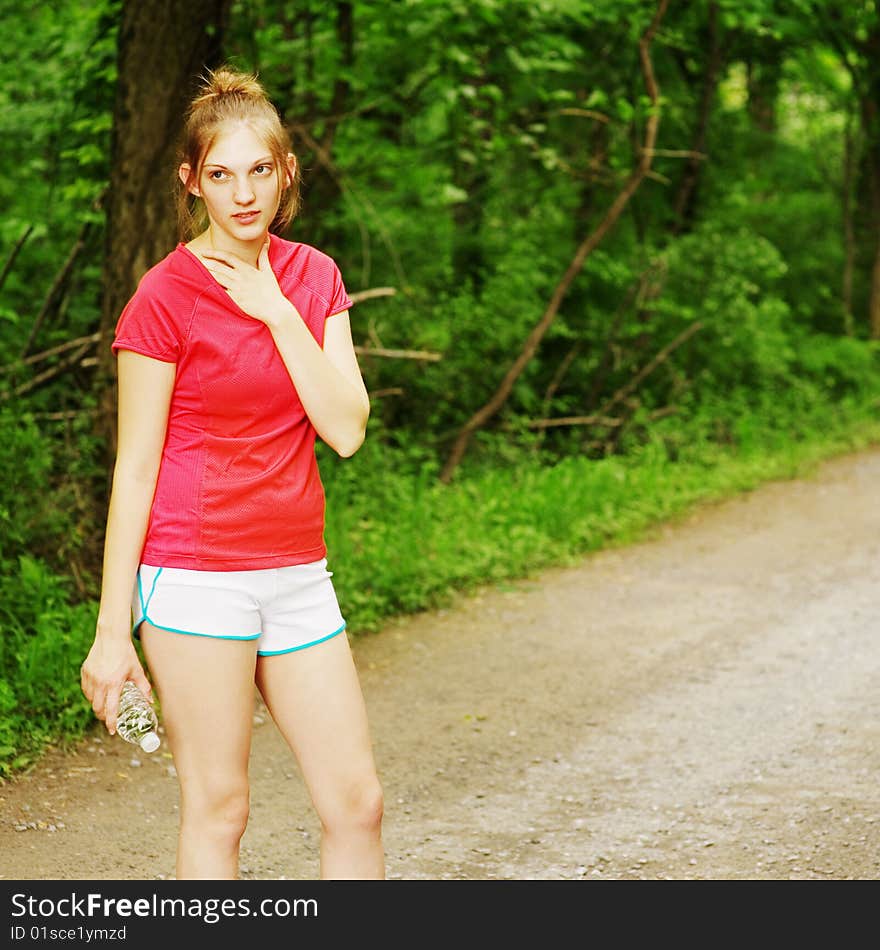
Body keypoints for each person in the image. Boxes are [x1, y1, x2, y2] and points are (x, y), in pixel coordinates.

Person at [80, 66, 384, 881]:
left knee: (356, 804)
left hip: (297, 576)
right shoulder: (163, 298)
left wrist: (277, 308)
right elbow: (135, 470)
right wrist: (113, 636)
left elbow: (346, 430)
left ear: (285, 171)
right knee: (221, 809)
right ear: (192, 181)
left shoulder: (314, 278)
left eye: (259, 170)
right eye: (220, 174)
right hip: (194, 579)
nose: (242, 194)